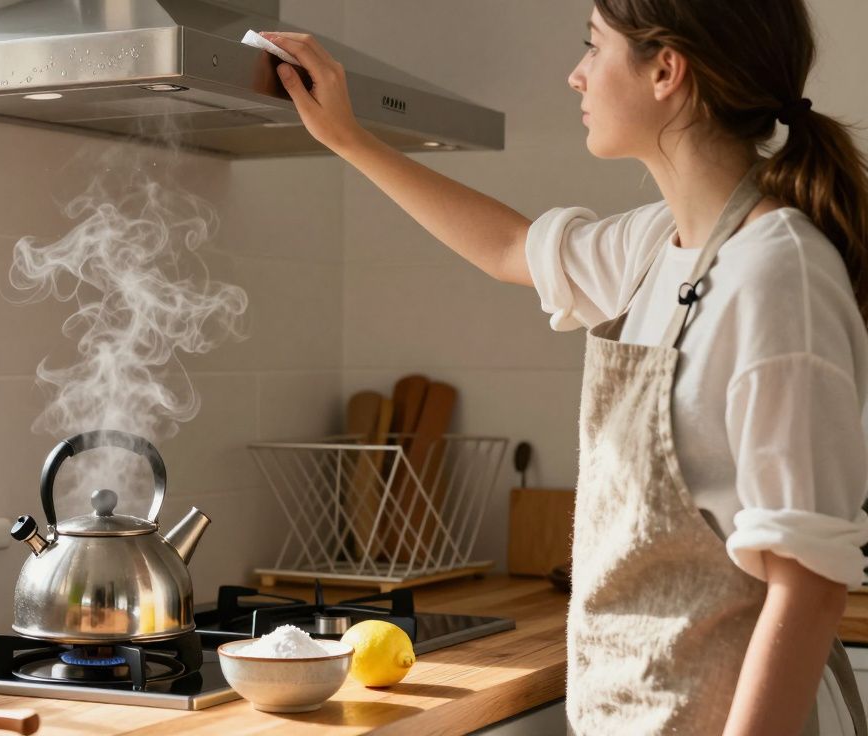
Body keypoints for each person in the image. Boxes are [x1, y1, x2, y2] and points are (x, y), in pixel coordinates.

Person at [262, 0, 868, 733]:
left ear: (666, 71)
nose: (575, 76)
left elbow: (808, 589)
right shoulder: (656, 245)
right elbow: (510, 248)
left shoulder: (779, 277)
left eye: (593, 47)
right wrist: (348, 138)